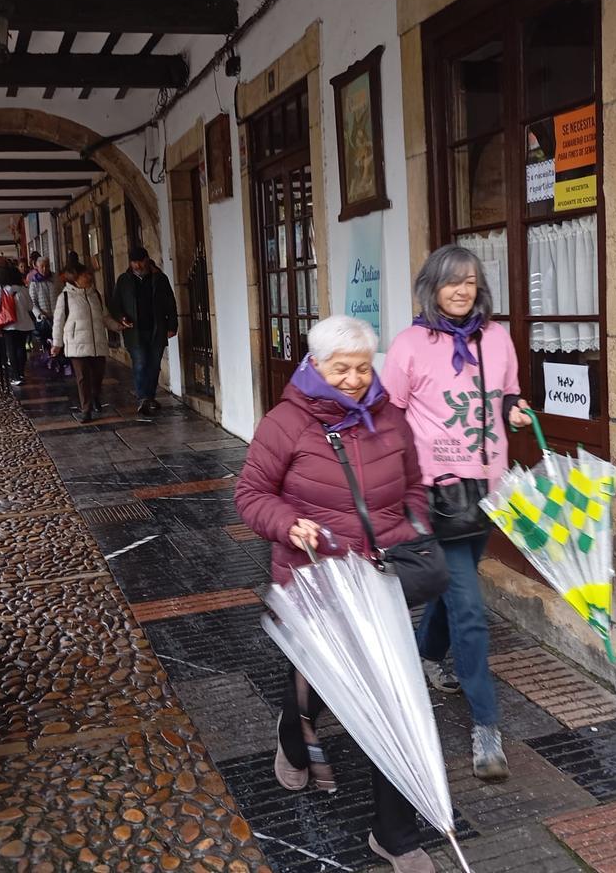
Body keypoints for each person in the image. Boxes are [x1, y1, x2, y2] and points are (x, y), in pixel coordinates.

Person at [235, 315, 437, 873]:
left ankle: (393, 836)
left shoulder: (389, 415)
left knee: (391, 700)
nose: (353, 379)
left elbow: (415, 483)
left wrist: (412, 528)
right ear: (315, 365)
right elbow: (251, 494)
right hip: (316, 579)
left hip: (379, 578)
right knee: (321, 686)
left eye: (362, 367)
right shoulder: (286, 422)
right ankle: (292, 735)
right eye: (341, 368)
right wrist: (286, 522)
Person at [382, 243, 532, 783]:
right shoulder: (409, 345)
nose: (462, 290)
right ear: (431, 287)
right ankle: (486, 726)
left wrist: (515, 412)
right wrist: (399, 487)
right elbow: (389, 416)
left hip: (486, 489)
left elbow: (508, 394)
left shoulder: (497, 337)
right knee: (469, 607)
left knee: (452, 584)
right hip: (435, 494)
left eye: (470, 281)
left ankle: (425, 655)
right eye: (451, 282)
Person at [110, 246, 178, 415]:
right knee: (140, 364)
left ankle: (150, 397)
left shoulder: (159, 279)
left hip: (157, 328)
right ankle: (143, 398)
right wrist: (122, 317)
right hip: (135, 331)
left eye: (140, 261)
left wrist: (172, 325)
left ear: (147, 259)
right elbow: (115, 304)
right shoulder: (124, 280)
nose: (137, 266)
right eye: (134, 262)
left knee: (154, 365)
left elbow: (170, 303)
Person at [51, 260, 117, 423]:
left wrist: (117, 326)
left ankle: (95, 396)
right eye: (85, 274)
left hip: (97, 342)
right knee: (82, 377)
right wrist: (57, 343)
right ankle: (85, 409)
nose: (89, 276)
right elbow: (58, 322)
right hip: (76, 343)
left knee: (98, 375)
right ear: (76, 278)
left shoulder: (96, 295)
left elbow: (104, 317)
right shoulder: (65, 297)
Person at [0, 259, 35, 386]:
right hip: (24, 324)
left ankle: (15, 376)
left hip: (8, 325)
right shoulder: (23, 289)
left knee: (11, 350)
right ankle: (21, 373)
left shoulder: (1, 289)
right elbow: (30, 307)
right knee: (21, 349)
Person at [28, 255, 58, 346]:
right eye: (42, 267)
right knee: (47, 344)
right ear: (37, 267)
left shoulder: (55, 278)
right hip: (44, 319)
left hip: (57, 316)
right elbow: (32, 301)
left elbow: (62, 294)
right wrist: (39, 314)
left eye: (47, 266)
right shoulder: (34, 283)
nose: (45, 269)